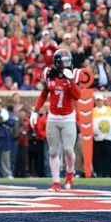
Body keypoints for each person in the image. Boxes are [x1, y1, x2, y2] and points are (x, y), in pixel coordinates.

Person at [30, 49, 82, 191]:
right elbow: (43, 94)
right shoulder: (48, 74)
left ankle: (70, 176)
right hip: (53, 117)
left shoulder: (74, 74)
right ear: (57, 63)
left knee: (68, 150)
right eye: (64, 62)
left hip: (68, 118)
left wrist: (70, 81)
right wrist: (36, 109)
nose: (67, 64)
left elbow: (78, 96)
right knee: (53, 151)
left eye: (68, 61)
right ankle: (56, 183)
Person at [92, 93, 111, 178]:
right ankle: (99, 172)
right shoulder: (93, 111)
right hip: (97, 138)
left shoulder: (110, 111)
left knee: (109, 156)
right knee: (97, 157)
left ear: (103, 101)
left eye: (100, 100)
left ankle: (110, 172)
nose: (99, 102)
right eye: (97, 100)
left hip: (108, 137)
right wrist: (93, 132)